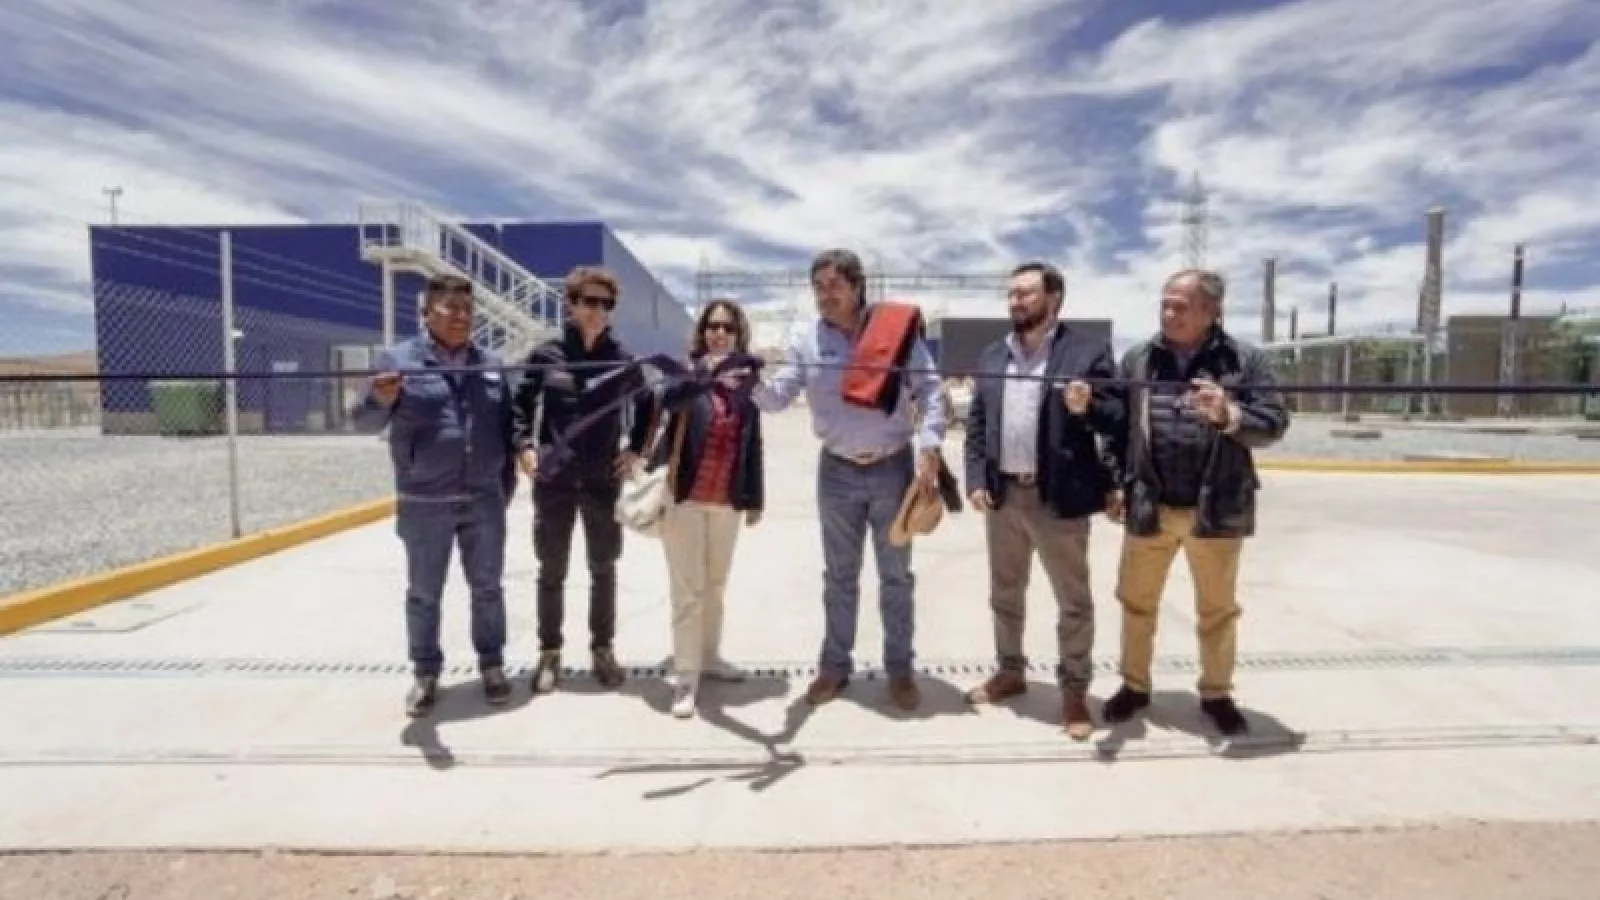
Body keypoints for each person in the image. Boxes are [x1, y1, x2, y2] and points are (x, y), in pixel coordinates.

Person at [750, 248, 947, 711]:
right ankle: (834, 668)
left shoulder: (894, 332)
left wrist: (930, 445)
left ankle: (900, 670)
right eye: (818, 287)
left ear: (858, 286)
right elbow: (777, 399)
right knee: (839, 576)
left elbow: (931, 390)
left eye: (834, 285)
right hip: (836, 471)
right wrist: (749, 381)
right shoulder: (806, 339)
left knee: (895, 576)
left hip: (893, 469)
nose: (825, 295)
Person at [1101, 269, 1290, 736]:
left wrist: (1230, 415)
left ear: (1212, 310)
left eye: (1180, 306)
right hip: (1150, 506)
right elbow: (1118, 428)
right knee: (1136, 603)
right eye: (1164, 304)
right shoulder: (1139, 359)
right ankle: (1134, 685)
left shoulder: (1244, 360)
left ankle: (1216, 693)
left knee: (1217, 611)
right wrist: (1115, 482)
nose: (1168, 314)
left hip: (1216, 509)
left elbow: (1274, 421)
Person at [961, 262, 1123, 740]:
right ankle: (1010, 671)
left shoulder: (1087, 352)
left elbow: (1118, 416)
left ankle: (1074, 690)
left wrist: (1088, 406)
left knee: (1073, 600)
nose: (1015, 301)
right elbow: (977, 423)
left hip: (1059, 498)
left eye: (1026, 293)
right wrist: (976, 478)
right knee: (1004, 593)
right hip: (1003, 495)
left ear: (1054, 299)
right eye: (1012, 293)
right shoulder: (994, 355)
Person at [352, 274, 518, 718]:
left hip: (483, 499)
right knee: (424, 592)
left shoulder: (491, 363)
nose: (461, 316)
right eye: (450, 308)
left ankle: (492, 665)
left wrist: (503, 487)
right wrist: (379, 400)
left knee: (488, 589)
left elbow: (507, 427)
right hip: (425, 501)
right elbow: (363, 423)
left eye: (467, 309)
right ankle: (425, 673)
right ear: (426, 313)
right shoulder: (397, 361)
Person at [511, 266, 652, 693]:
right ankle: (549, 651)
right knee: (551, 569)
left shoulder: (622, 358)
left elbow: (648, 404)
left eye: (606, 304)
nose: (598, 311)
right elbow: (520, 404)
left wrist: (636, 449)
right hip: (554, 479)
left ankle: (602, 649)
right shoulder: (547, 354)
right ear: (570, 304)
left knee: (603, 568)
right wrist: (525, 445)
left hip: (601, 481)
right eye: (589, 301)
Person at [651, 298, 766, 719]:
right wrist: (704, 376)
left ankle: (709, 656)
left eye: (727, 328)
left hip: (726, 502)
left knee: (715, 585)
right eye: (713, 326)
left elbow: (752, 443)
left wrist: (754, 497)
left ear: (738, 335)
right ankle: (686, 676)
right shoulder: (686, 371)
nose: (719, 333)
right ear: (702, 333)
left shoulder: (746, 385)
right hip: (686, 499)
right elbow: (667, 401)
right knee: (688, 592)